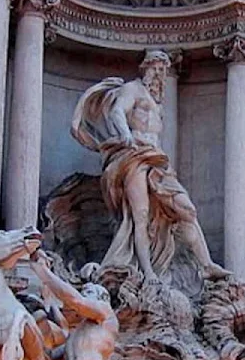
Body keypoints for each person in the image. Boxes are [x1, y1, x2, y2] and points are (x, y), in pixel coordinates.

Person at [70, 50, 228, 283]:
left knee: (187, 210)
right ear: (145, 69)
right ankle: (147, 272)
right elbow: (116, 112)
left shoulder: (157, 103)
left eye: (162, 70)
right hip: (133, 156)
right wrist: (126, 136)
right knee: (140, 215)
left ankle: (205, 264)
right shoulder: (133, 89)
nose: (159, 74)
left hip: (156, 160)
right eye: (155, 68)